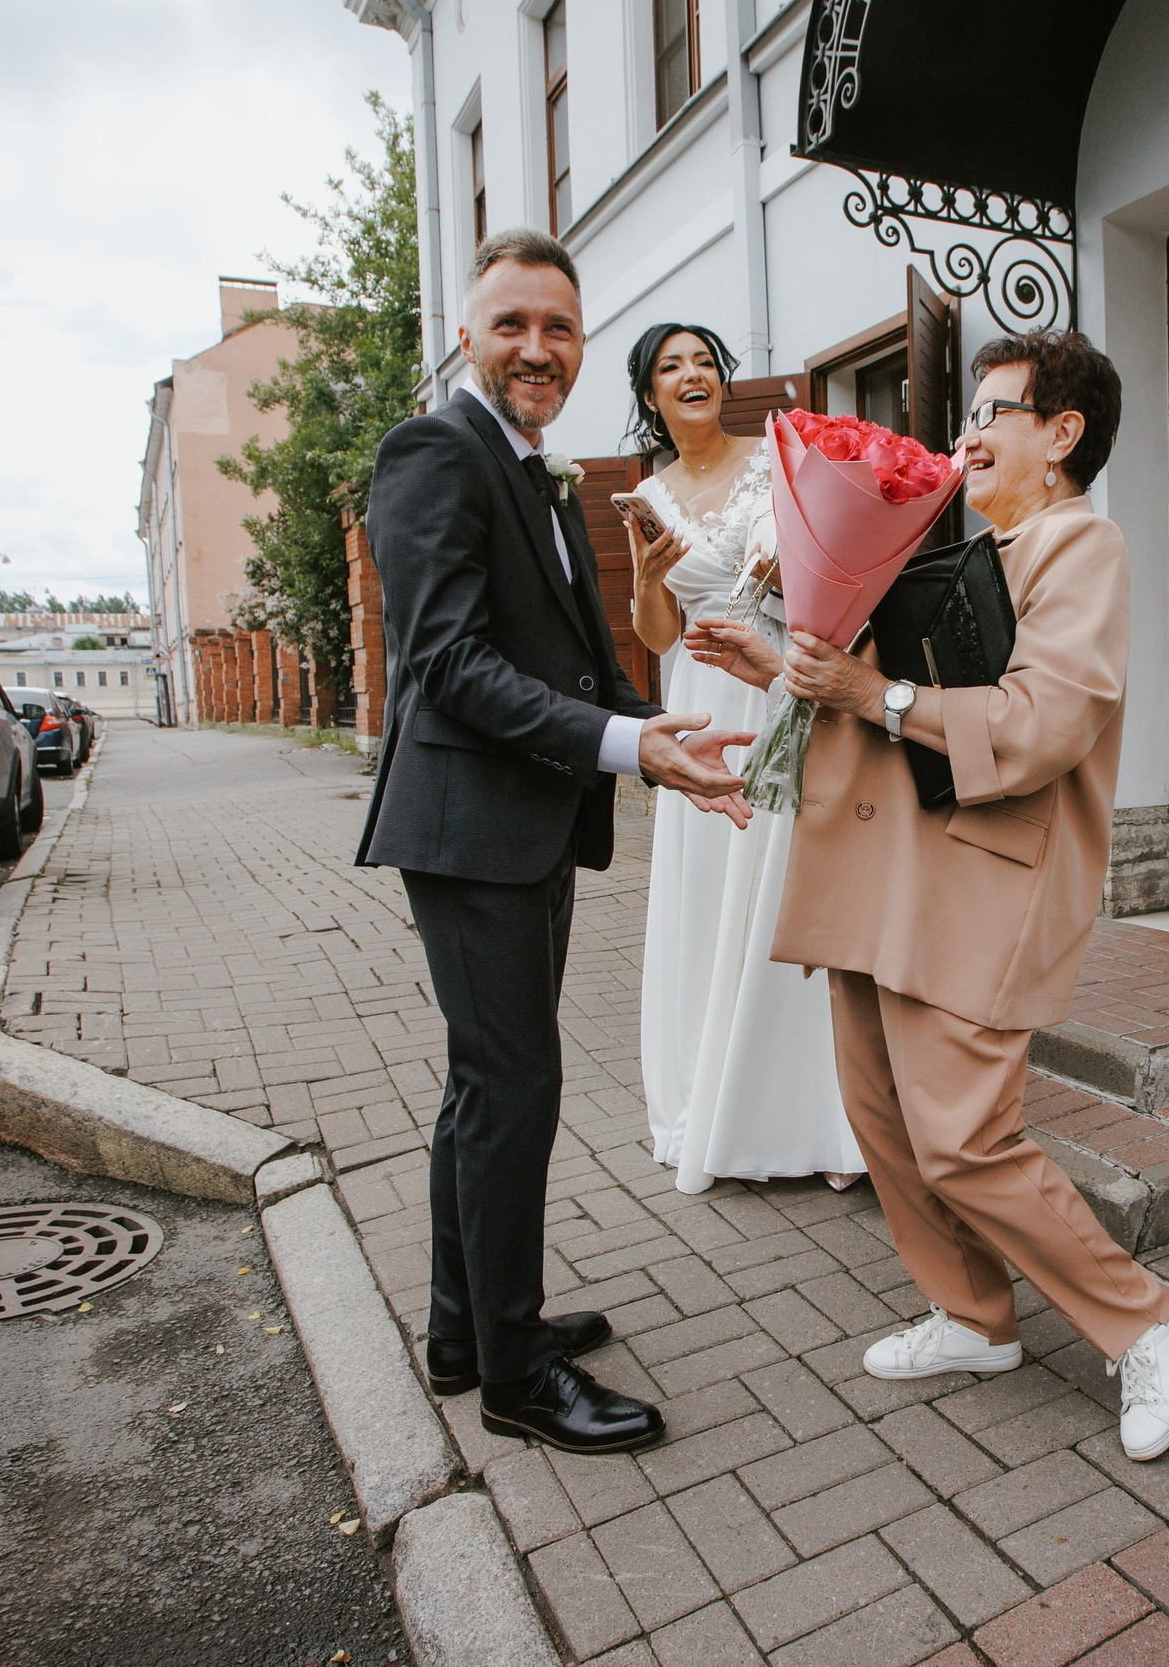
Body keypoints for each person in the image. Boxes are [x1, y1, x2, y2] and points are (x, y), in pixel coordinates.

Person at [685, 328, 1169, 1461]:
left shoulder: (1081, 546)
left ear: (1062, 434)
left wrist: (871, 691)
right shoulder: (963, 544)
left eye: (995, 413)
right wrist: (785, 667)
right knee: (881, 1115)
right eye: (968, 413)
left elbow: (1042, 718)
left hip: (979, 878)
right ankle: (974, 1315)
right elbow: (885, 693)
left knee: (965, 1136)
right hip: (884, 870)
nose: (965, 433)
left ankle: (1147, 1316)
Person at [354, 229, 752, 1456]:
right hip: (469, 827)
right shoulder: (436, 448)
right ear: (468, 335)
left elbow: (559, 658)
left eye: (561, 327)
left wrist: (650, 732)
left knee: (485, 1088)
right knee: (513, 1086)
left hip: (520, 823)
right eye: (514, 323)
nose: (539, 347)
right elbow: (450, 666)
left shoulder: (532, 459)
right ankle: (517, 1376)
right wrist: (629, 749)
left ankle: (468, 1330)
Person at [619, 320, 865, 1196]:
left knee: (787, 890)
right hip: (700, 699)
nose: (692, 374)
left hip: (777, 686)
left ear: (723, 380)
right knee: (712, 897)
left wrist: (792, 567)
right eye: (670, 367)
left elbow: (832, 569)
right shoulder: (646, 494)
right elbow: (654, 635)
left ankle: (819, 1117)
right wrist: (650, 577)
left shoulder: (777, 456)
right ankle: (720, 1103)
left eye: (704, 362)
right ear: (650, 395)